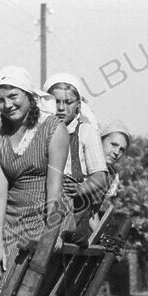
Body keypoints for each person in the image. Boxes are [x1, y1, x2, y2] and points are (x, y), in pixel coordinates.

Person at [0, 66, 69, 290]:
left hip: (46, 214)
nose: (8, 105)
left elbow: (54, 185)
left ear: (29, 96)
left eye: (13, 96)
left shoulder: (53, 129)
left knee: (31, 291)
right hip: (13, 219)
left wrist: (52, 233)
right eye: (0, 100)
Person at [43, 73, 108, 238]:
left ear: (78, 105)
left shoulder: (86, 132)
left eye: (68, 102)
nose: (61, 108)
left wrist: (80, 188)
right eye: (56, 101)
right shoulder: (41, 133)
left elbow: (100, 176)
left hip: (76, 210)